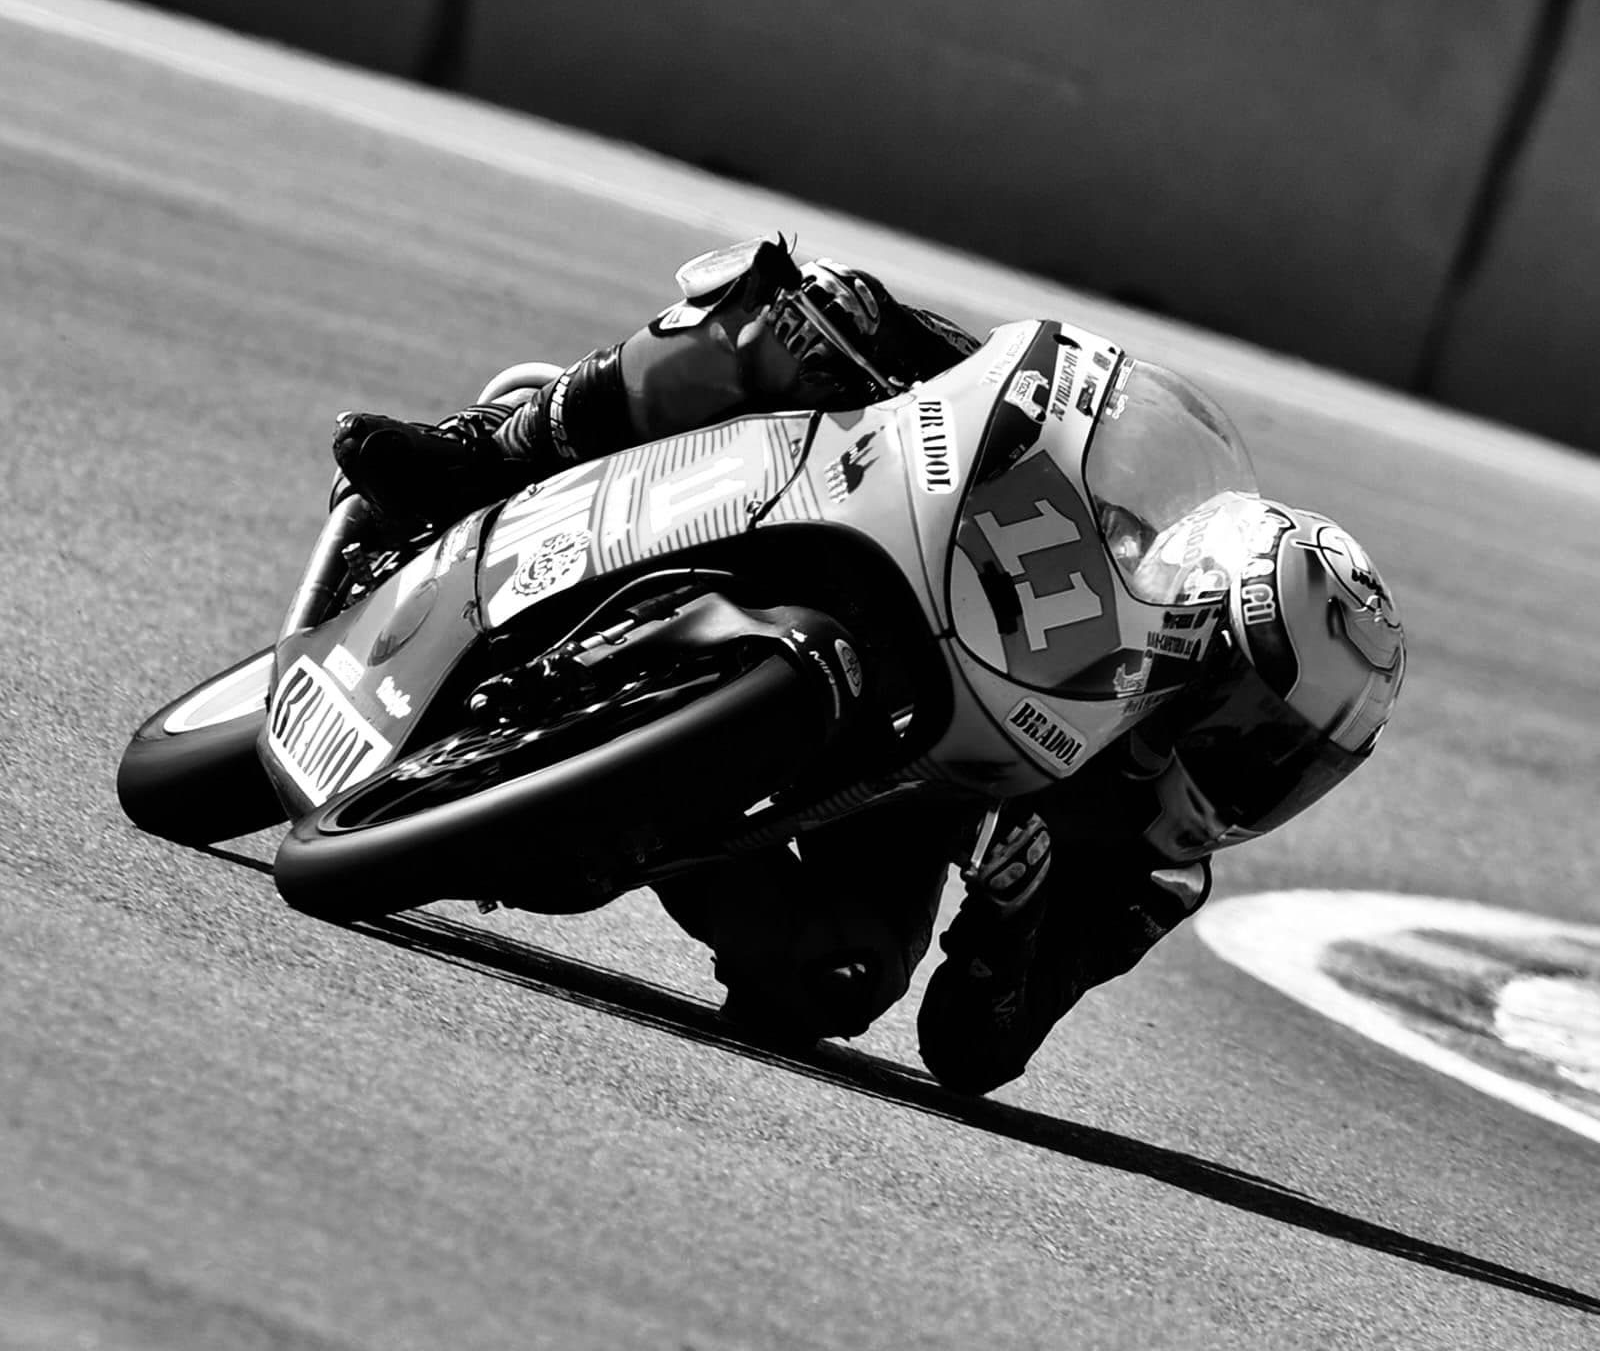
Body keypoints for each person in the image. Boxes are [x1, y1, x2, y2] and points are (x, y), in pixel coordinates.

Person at [333, 236, 1406, 1095]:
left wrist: (1007, 926)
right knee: (783, 321)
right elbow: (1010, 386)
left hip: (907, 791)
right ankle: (492, 450)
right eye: (1251, 730)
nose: (1250, 779)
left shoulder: (1151, 865)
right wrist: (869, 322)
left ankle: (609, 816)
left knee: (836, 978)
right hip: (876, 538)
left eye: (1291, 766)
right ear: (1202, 637)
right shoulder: (1128, 544)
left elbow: (976, 1050)